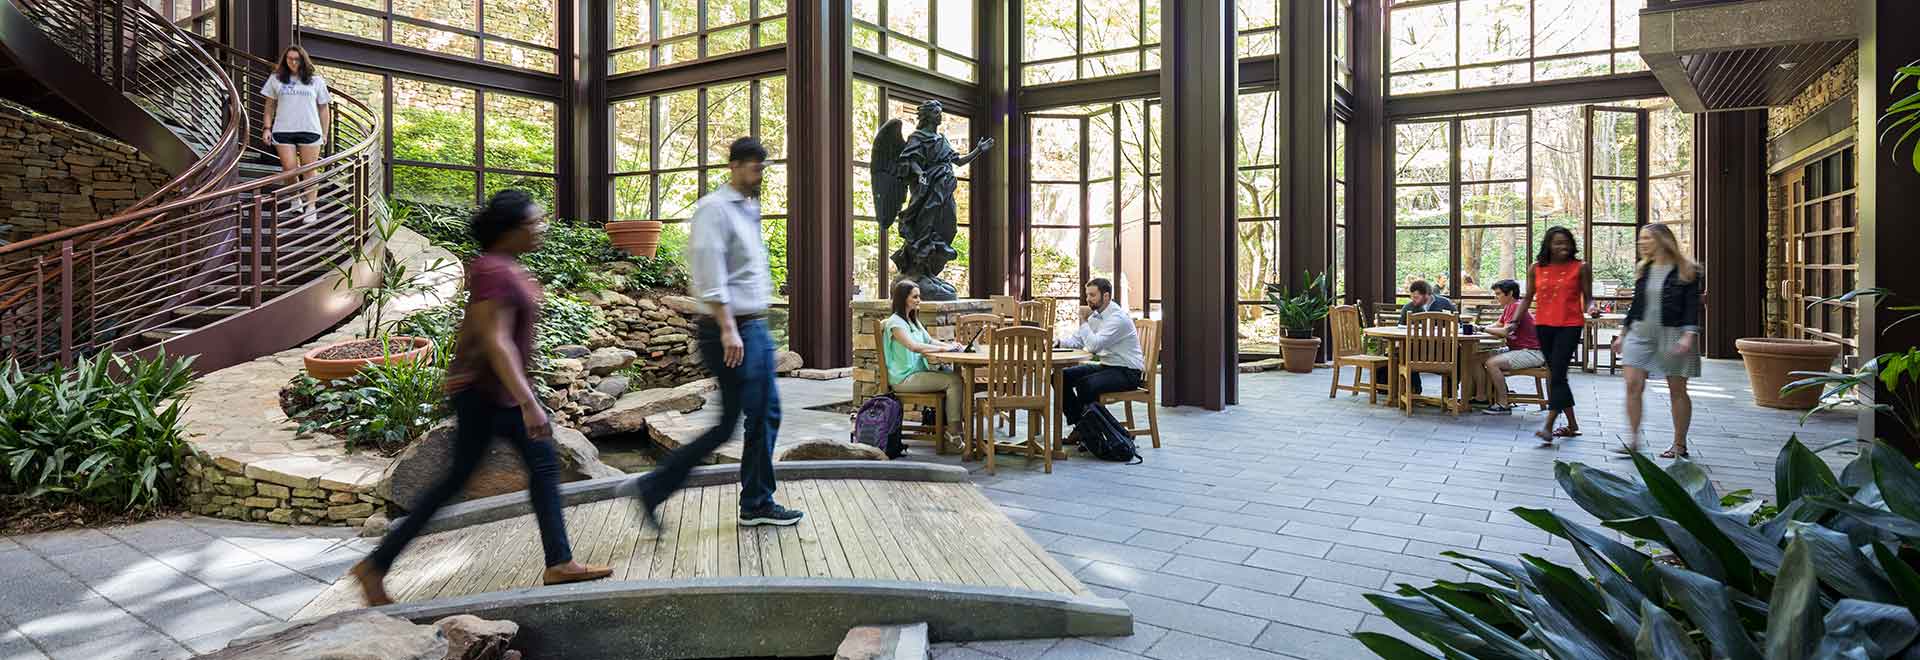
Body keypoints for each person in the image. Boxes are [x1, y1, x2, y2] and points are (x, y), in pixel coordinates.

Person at [349, 190, 611, 605]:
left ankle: (558, 562)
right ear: (509, 231)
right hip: (495, 397)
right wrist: (527, 401)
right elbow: (497, 339)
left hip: (489, 391)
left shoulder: (501, 267)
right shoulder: (495, 270)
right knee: (513, 471)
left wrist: (461, 367)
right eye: (534, 222)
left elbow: (473, 326)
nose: (541, 228)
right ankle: (376, 565)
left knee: (512, 471)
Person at [633, 137, 802, 530]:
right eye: (755, 168)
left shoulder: (749, 208)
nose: (761, 175)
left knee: (749, 418)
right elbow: (711, 274)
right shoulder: (714, 209)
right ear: (736, 166)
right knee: (751, 418)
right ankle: (755, 502)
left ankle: (661, 488)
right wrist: (728, 329)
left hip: (752, 328)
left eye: (763, 168)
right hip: (729, 329)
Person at [1612, 224, 1703, 459]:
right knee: (1632, 384)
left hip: (1673, 333)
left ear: (1662, 240)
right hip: (1640, 333)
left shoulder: (1687, 270)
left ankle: (1679, 444)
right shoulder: (1644, 269)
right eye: (1640, 238)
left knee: (1677, 391)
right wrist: (1623, 334)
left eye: (1646, 238)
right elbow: (1637, 305)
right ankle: (1633, 441)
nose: (1641, 243)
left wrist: (1688, 335)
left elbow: (1692, 307)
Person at [1514, 226, 1595, 446]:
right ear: (1548, 245)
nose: (1564, 247)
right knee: (1556, 375)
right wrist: (1514, 321)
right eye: (1558, 243)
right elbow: (1528, 297)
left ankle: (1549, 423)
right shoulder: (1536, 268)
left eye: (1567, 243)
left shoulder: (1581, 267)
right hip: (1543, 325)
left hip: (1570, 325)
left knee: (1558, 373)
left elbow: (1588, 298)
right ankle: (1572, 424)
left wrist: (1592, 309)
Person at [1057, 278, 1146, 429]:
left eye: (1092, 295)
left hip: (1128, 372)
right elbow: (1077, 340)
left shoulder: (1117, 318)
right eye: (1087, 295)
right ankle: (1082, 427)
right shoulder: (1097, 315)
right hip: (1108, 367)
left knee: (1086, 385)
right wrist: (1058, 343)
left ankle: (1091, 431)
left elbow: (1093, 347)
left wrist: (1083, 320)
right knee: (1061, 377)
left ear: (1105, 296)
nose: (1088, 299)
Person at [882, 280, 965, 441]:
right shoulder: (895, 323)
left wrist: (951, 345)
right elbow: (913, 346)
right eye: (915, 297)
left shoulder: (912, 320)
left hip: (917, 373)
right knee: (954, 381)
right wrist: (943, 349)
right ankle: (954, 432)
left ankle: (956, 428)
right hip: (904, 378)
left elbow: (929, 341)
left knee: (956, 377)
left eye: (919, 296)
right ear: (903, 299)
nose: (919, 300)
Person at [261, 45, 331, 215]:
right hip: (283, 130)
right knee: (289, 168)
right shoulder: (276, 79)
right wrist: (267, 128)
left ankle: (311, 207)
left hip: (310, 130)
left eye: (296, 59)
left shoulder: (316, 81)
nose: (293, 62)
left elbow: (324, 109)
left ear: (303, 60)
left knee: (309, 169)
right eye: (289, 58)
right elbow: (269, 106)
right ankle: (295, 199)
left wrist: (325, 132)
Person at [1480, 279, 1544, 416]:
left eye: (1498, 294)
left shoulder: (1516, 306)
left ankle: (1503, 403)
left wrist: (1482, 328)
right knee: (1479, 356)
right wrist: (1478, 329)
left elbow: (1504, 332)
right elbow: (1498, 324)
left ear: (1509, 293)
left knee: (1492, 363)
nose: (1496, 297)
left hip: (1532, 352)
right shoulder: (1511, 306)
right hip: (1520, 350)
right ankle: (1482, 396)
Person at [1399, 279, 1456, 395]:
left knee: (1458, 353)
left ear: (1427, 295)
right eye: (1412, 297)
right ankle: (1414, 390)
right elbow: (1400, 326)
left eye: (1416, 297)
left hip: (1443, 349)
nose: (1413, 300)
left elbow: (1457, 325)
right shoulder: (1408, 307)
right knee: (1402, 352)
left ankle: (1451, 393)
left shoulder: (1444, 303)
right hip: (1417, 349)